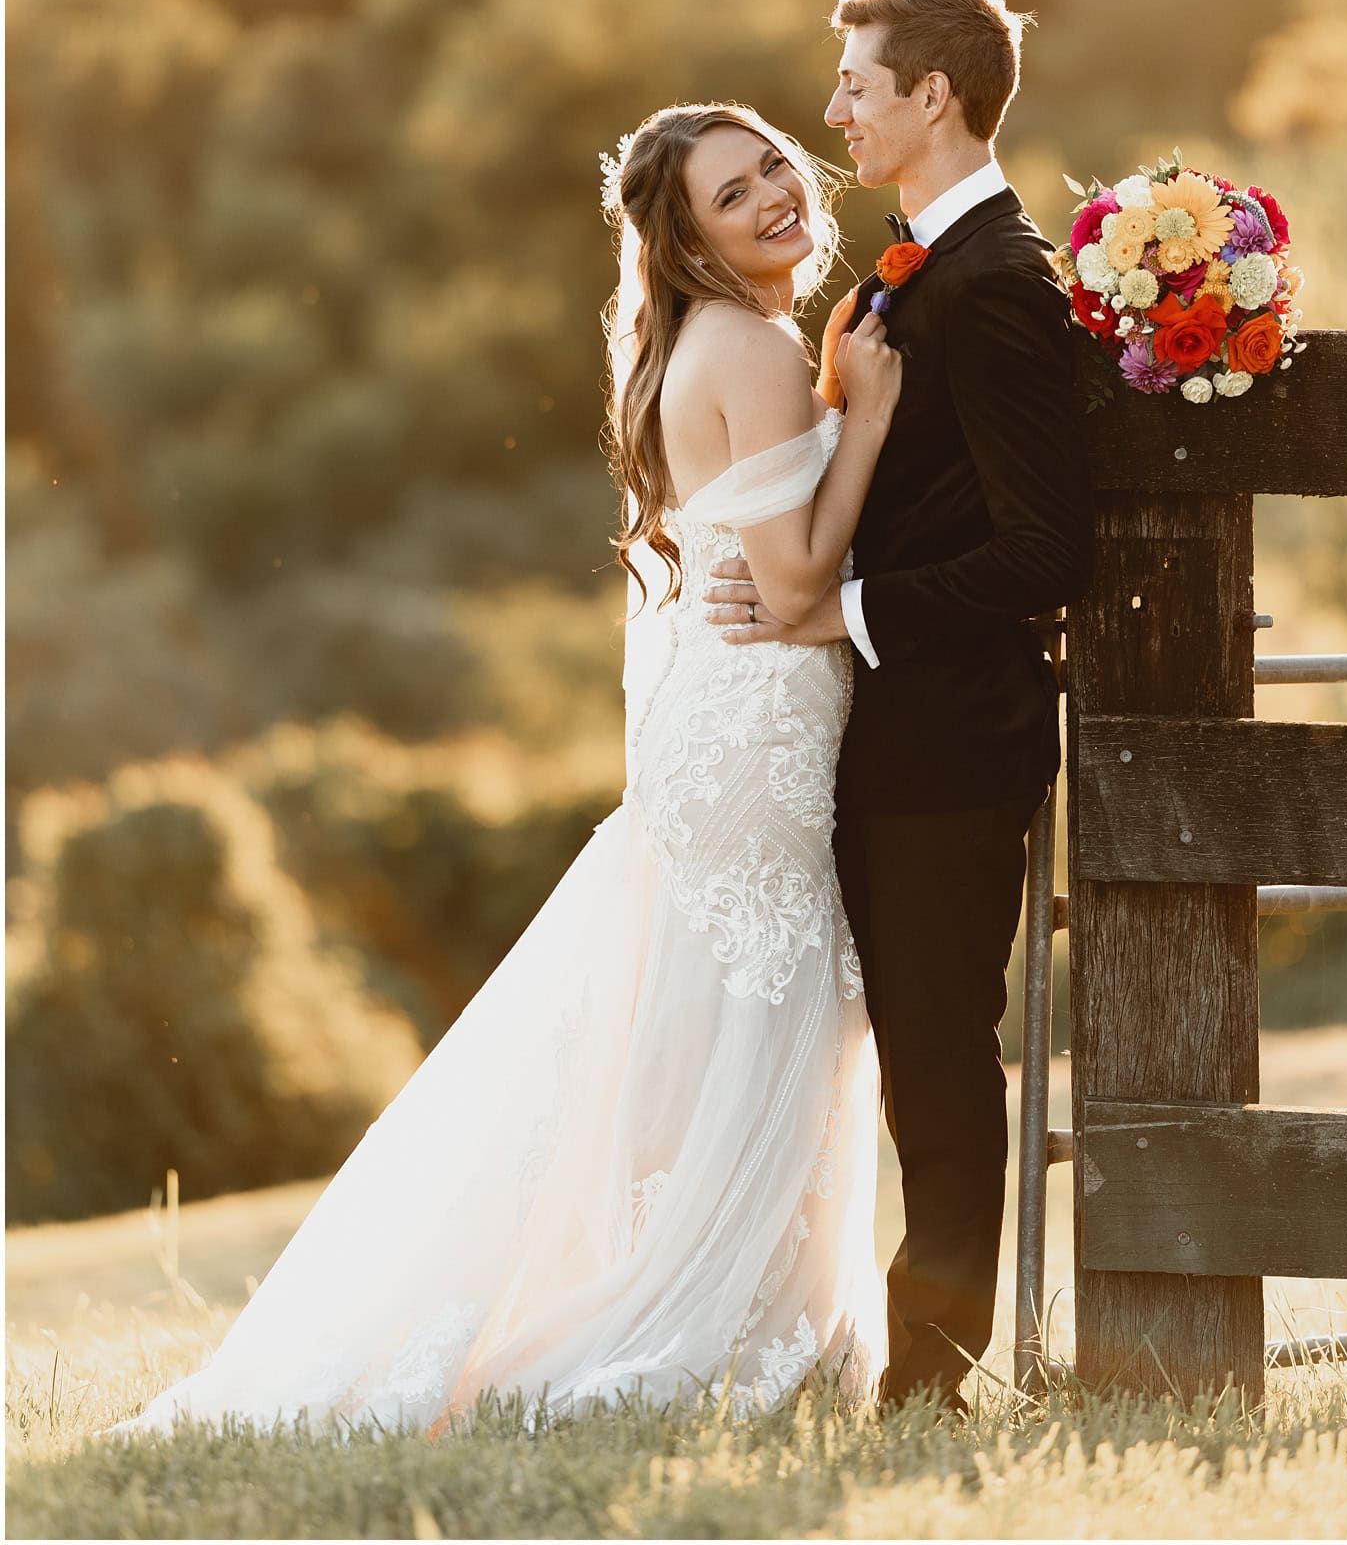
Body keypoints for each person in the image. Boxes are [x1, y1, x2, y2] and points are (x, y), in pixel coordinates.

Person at [106, 102, 902, 1439]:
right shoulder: (754, 347)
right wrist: (867, 413)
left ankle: (762, 1313)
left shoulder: (698, 348)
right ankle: (716, 1320)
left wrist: (827, 392)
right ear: (692, 241)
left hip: (720, 734)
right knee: (772, 1022)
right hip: (762, 734)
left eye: (775, 165)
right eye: (733, 193)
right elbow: (795, 578)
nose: (775, 195)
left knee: (716, 1026)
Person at [705, 0, 1095, 1411]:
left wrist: (844, 609)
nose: (835, 113)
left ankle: (929, 1376)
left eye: (858, 86)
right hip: (877, 737)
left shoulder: (1000, 284)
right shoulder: (915, 269)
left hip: (951, 745)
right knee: (889, 1062)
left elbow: (1046, 551)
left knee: (938, 1063)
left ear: (934, 95)